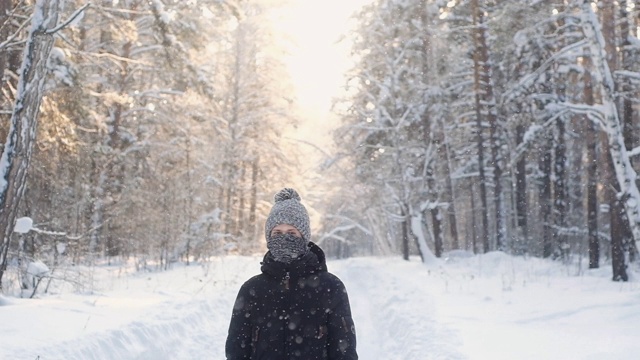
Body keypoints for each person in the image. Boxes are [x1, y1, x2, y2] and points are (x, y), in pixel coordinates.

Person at [225, 188, 358, 360]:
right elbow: (236, 350)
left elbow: (344, 350)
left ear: (304, 237)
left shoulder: (330, 287)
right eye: (277, 233)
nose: (284, 238)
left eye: (292, 233)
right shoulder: (252, 289)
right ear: (269, 237)